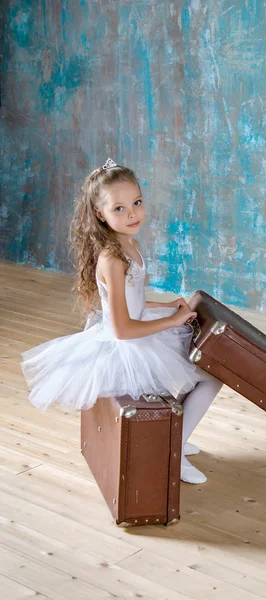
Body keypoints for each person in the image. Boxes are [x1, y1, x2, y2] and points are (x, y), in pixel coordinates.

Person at [20, 158, 223, 484]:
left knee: (198, 377)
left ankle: (175, 437)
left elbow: (134, 304)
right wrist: (171, 323)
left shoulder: (129, 243)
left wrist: (167, 305)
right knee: (208, 378)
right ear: (100, 214)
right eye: (119, 208)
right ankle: (174, 449)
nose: (132, 214)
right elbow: (122, 328)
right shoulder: (113, 259)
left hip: (138, 331)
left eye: (137, 203)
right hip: (126, 347)